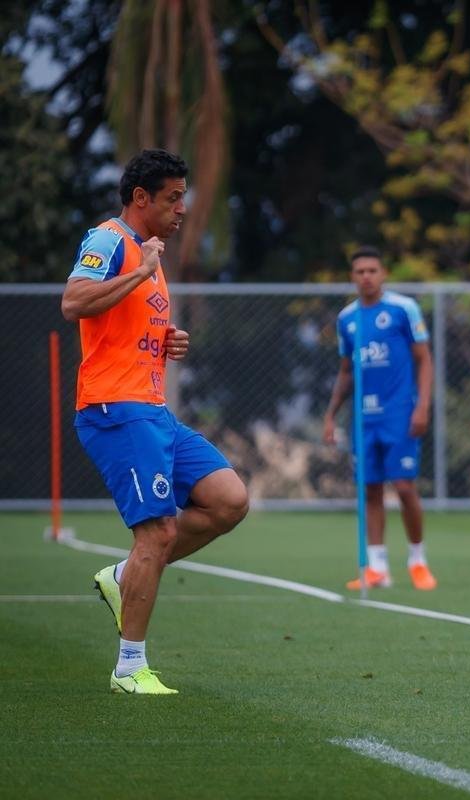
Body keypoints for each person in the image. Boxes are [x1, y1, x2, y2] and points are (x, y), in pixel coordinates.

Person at [62, 148, 249, 694]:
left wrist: (168, 341)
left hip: (152, 408)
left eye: (183, 197)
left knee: (229, 499)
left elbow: (126, 324)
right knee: (159, 530)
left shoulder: (151, 254)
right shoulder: (110, 240)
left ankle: (124, 576)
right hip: (113, 408)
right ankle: (129, 668)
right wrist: (139, 270)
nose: (183, 208)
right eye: (173, 197)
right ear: (140, 198)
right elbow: (74, 302)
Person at [323, 246, 436, 591]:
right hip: (364, 419)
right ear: (352, 277)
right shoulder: (347, 319)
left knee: (403, 486)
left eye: (372, 270)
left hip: (400, 413)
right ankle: (377, 568)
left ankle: (418, 560)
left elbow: (424, 360)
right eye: (360, 272)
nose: (366, 277)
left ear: (383, 273)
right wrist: (330, 416)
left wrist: (422, 407)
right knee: (369, 489)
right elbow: (346, 371)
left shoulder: (403, 309)